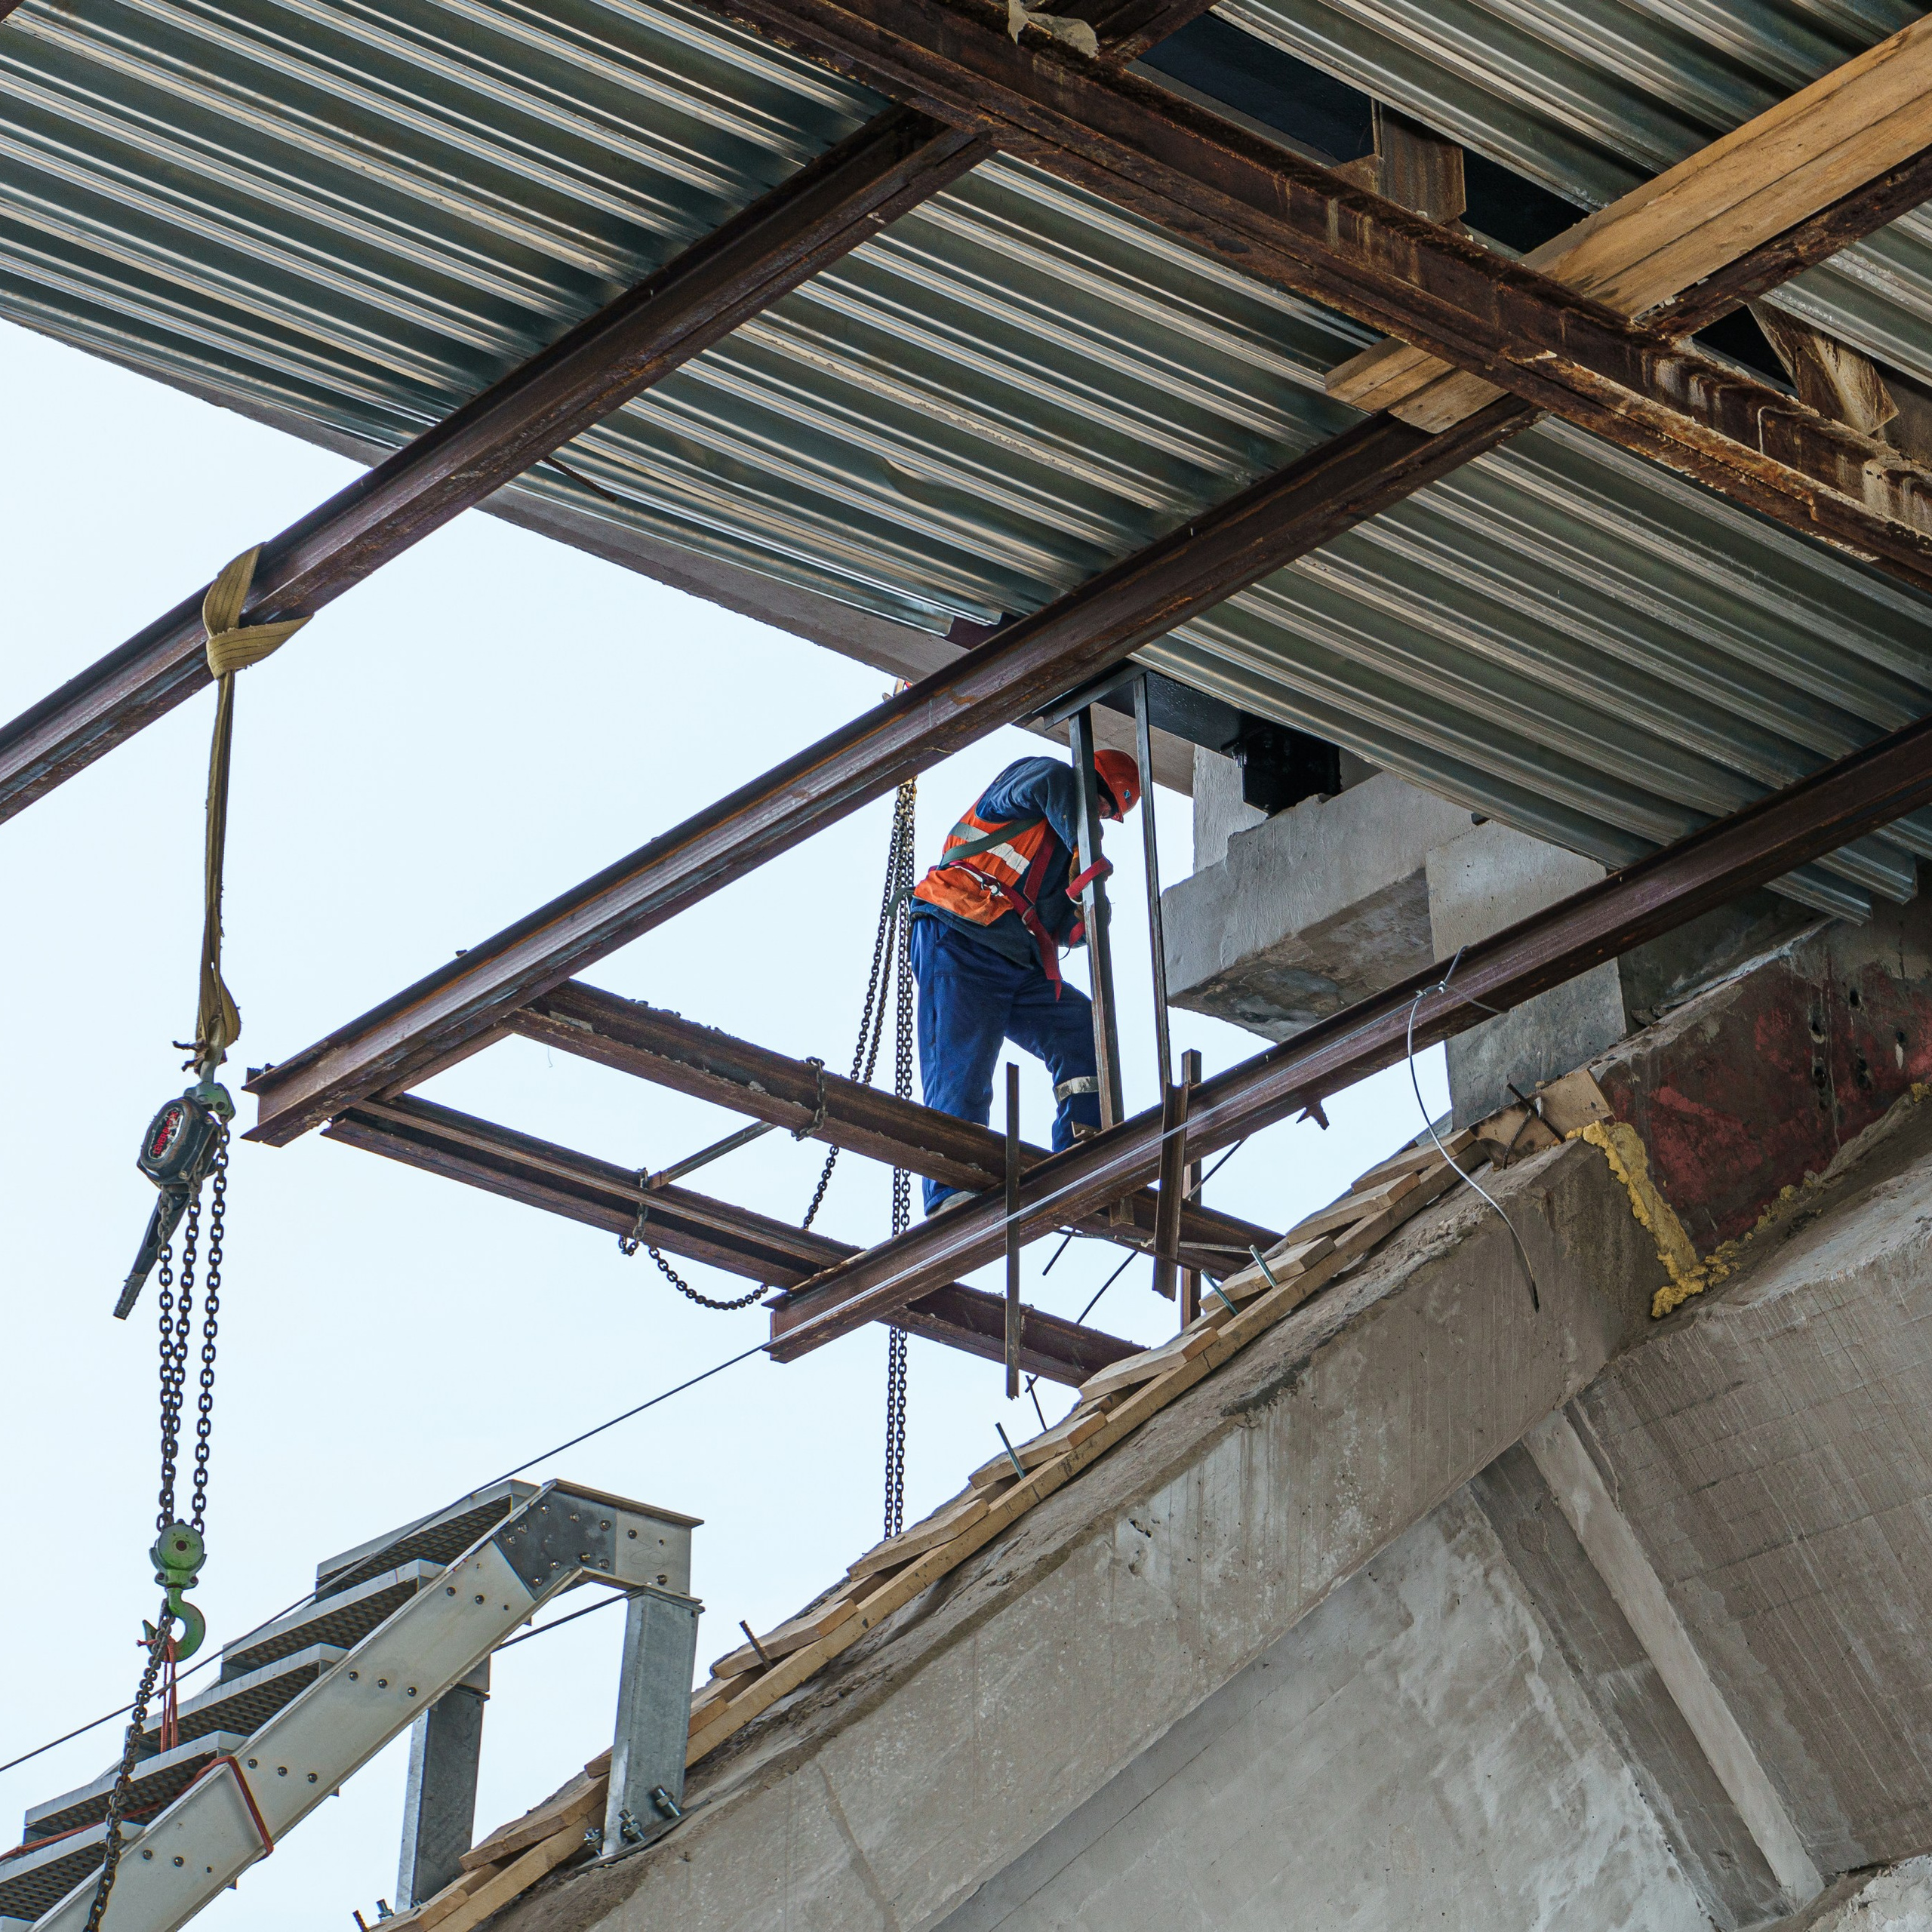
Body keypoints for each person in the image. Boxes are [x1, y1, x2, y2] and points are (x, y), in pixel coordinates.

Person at [908, 746, 1141, 1214]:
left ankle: (1083, 1144)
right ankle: (952, 1186)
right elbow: (1050, 789)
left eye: (1107, 813)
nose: (1100, 815)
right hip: (960, 933)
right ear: (1091, 782)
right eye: (1102, 804)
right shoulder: (1044, 777)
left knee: (1082, 1029)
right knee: (963, 1063)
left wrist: (1086, 914)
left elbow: (1062, 921)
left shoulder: (1064, 854)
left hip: (1015, 962)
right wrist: (1086, 845)